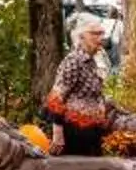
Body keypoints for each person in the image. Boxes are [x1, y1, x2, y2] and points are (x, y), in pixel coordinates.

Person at [45, 18, 116, 156]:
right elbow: (56, 98)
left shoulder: (94, 61)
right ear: (81, 36)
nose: (100, 38)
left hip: (93, 130)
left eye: (102, 33)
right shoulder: (74, 61)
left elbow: (90, 94)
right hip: (75, 132)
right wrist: (58, 134)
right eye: (95, 34)